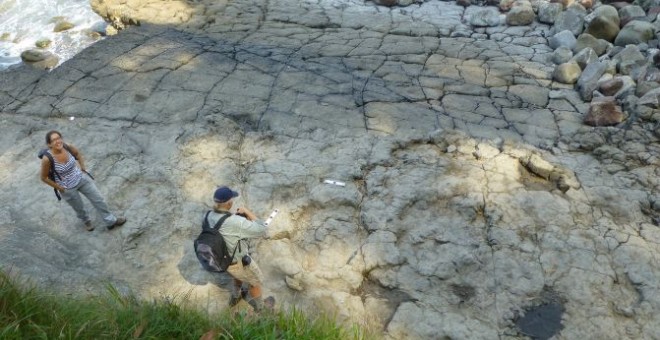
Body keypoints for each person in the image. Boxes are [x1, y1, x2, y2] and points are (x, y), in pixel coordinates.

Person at [40, 130, 126, 231]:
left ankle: (110, 221)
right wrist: (59, 187)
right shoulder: (47, 159)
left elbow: (78, 154)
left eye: (59, 138)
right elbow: (43, 177)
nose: (58, 141)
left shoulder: (67, 146)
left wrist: (82, 167)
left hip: (80, 178)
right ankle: (86, 221)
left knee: (98, 200)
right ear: (49, 144)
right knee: (79, 207)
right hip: (67, 188)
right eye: (54, 140)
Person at [207, 185, 274, 312]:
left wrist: (236, 219)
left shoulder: (209, 215)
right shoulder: (235, 221)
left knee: (236, 275)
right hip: (238, 261)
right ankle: (261, 309)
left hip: (222, 259)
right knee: (255, 282)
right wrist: (247, 212)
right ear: (229, 203)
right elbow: (262, 229)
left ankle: (236, 296)